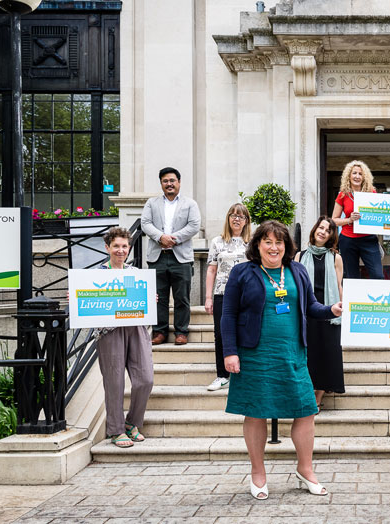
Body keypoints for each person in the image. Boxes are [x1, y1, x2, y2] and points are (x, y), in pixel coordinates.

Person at [221, 220, 343, 500]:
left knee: (306, 410)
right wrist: (230, 352)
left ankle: (305, 469)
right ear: (258, 245)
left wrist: (331, 310)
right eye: (268, 242)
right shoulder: (243, 272)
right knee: (255, 411)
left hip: (292, 353)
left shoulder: (297, 270)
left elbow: (311, 306)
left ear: (287, 246)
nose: (274, 247)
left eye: (279, 242)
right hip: (254, 354)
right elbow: (227, 315)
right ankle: (258, 472)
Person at [95, 227, 154, 448]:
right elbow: (88, 301)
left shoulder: (136, 272)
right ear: (107, 247)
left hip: (136, 327)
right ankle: (116, 430)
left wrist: (151, 297)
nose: (120, 250)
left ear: (129, 248)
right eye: (116, 246)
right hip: (110, 331)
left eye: (124, 246)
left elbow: (145, 300)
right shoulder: (97, 275)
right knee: (114, 381)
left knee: (145, 379)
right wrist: (77, 296)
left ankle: (132, 422)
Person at [141, 167, 201, 346]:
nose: (169, 184)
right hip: (157, 257)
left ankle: (181, 332)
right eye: (165, 181)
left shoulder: (190, 204)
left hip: (180, 257)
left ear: (179, 182)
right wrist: (161, 237)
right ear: (161, 184)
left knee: (182, 297)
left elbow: (194, 225)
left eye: (172, 180)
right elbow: (145, 223)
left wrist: (173, 239)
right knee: (158, 297)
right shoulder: (152, 203)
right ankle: (160, 332)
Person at [295, 216, 345, 407]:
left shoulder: (335, 257)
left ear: (332, 236)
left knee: (326, 354)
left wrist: (342, 308)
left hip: (329, 312)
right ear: (315, 229)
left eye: (328, 230)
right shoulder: (300, 256)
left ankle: (318, 396)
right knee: (309, 355)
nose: (323, 232)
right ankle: (307, 392)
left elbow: (339, 285)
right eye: (321, 227)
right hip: (307, 312)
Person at [204, 203, 251, 391]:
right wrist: (208, 297)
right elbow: (211, 270)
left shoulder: (252, 242)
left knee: (245, 332)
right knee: (221, 333)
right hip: (222, 293)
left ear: (246, 220)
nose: (236, 219)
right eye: (233, 215)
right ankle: (222, 375)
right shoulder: (217, 241)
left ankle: (244, 373)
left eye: (241, 216)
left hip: (246, 294)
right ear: (228, 218)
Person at [331, 160, 383, 279]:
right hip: (348, 240)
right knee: (351, 277)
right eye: (354, 173)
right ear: (348, 175)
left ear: (364, 177)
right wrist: (349, 219)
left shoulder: (371, 193)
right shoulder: (343, 195)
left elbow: (385, 213)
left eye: (360, 174)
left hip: (368, 239)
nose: (357, 176)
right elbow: (334, 220)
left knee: (378, 275)